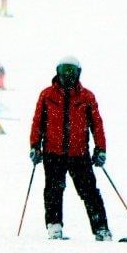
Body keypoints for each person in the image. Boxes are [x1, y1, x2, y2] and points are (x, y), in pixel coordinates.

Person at [29, 56, 113, 241]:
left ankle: (101, 229)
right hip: (53, 153)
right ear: (57, 72)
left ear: (78, 73)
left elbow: (97, 125)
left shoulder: (87, 97)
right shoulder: (47, 95)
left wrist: (100, 149)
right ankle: (54, 227)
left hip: (79, 154)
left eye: (72, 71)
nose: (68, 75)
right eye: (64, 71)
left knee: (90, 192)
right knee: (53, 190)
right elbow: (38, 123)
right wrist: (35, 146)